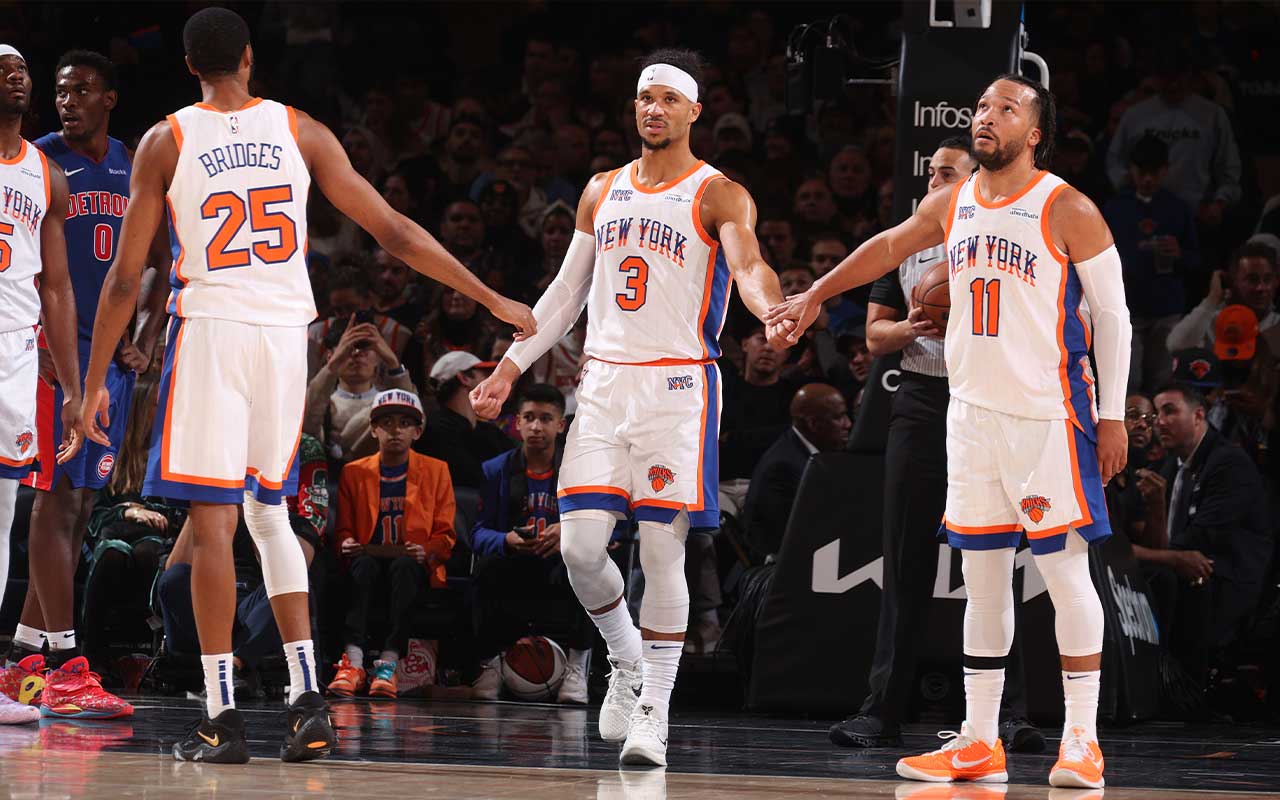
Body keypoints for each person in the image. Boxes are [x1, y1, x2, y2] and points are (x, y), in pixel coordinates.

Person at [79, 8, 533, 764]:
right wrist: (490, 297)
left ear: (191, 67)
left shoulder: (166, 139)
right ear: (250, 59)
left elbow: (127, 278)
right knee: (269, 514)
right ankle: (305, 698)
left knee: (216, 524)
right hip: (287, 337)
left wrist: (94, 383)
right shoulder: (301, 129)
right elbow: (391, 229)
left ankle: (221, 716)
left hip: (215, 331)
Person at [768, 74, 1132, 789]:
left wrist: (1113, 414)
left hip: (1047, 418)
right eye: (981, 108)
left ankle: (1083, 741)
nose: (986, 117)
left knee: (1063, 573)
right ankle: (977, 738)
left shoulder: (1068, 207)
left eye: (1006, 109)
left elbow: (1114, 319)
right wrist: (814, 294)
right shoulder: (953, 200)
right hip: (968, 414)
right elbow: (884, 246)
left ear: (1035, 133)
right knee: (983, 579)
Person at [470, 49, 791, 767]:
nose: (654, 108)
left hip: (680, 389)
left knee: (660, 548)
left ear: (693, 110)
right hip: (605, 384)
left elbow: (747, 266)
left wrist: (771, 309)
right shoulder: (600, 190)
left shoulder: (718, 193)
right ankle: (626, 662)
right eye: (645, 97)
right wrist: (509, 368)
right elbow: (563, 295)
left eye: (668, 99)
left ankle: (656, 713)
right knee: (581, 548)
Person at [826, 134, 1039, 754]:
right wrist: (911, 324)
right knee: (906, 558)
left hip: (988, 399)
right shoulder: (909, 246)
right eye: (929, 174)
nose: (933, 182)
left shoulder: (1004, 239)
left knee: (997, 562)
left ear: (975, 179)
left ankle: (1010, 714)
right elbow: (874, 336)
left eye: (947, 172)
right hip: (921, 399)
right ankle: (882, 710)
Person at [7, 51, 172, 722]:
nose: (67, 101)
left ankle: (21, 665)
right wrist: (44, 345)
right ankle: (67, 663)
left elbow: (162, 259)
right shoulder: (37, 160)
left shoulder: (130, 160)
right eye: (60, 91)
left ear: (109, 97)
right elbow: (40, 276)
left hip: (106, 357)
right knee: (55, 505)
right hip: (56, 354)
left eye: (80, 91)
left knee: (76, 509)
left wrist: (148, 334)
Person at [0, 44, 85, 726]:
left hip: (16, 357)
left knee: (1, 521)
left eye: (21, 68)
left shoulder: (46, 174)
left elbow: (57, 287)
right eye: (3, 69)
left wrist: (78, 386)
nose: (16, 75)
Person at [1136, 383, 1272, 684]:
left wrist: (1157, 553)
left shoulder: (1228, 463)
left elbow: (1203, 538)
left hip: (1230, 580)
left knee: (1171, 576)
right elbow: (1171, 547)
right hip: (1191, 572)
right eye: (1157, 413)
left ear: (1199, 415)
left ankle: (1185, 686)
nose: (1159, 421)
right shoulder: (1170, 465)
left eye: (1170, 411)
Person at [470, 384, 594, 704]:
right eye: (529, 418)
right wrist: (506, 539)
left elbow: (606, 526)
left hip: (561, 562)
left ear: (561, 424)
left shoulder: (580, 468)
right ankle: (490, 665)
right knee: (486, 568)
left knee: (586, 564)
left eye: (545, 418)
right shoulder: (496, 469)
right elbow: (478, 534)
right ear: (517, 423)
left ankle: (577, 667)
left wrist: (568, 530)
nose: (537, 426)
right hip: (517, 561)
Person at [328, 390, 455, 700]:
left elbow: (445, 533)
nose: (395, 430)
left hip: (412, 564)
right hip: (366, 560)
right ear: (373, 430)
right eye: (386, 423)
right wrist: (345, 543)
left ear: (417, 431)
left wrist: (427, 550)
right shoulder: (354, 472)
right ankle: (353, 661)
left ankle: (389, 662)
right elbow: (343, 528)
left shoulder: (437, 470)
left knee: (404, 566)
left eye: (404, 423)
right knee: (364, 566)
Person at [741, 383, 851, 561]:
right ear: (813, 424)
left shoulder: (804, 453)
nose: (848, 424)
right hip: (780, 569)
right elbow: (785, 539)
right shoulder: (783, 467)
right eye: (839, 417)